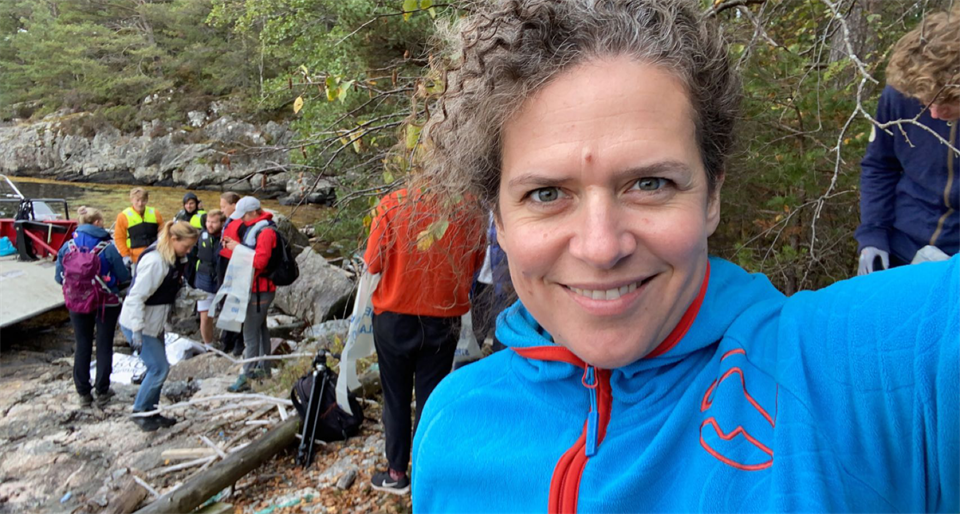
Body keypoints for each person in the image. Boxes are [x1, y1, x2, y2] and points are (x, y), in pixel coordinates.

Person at [410, 1, 959, 512]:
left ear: (712, 195)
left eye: (650, 183)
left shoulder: (857, 370)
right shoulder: (452, 427)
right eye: (547, 194)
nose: (602, 248)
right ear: (498, 221)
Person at [363, 188, 485, 494]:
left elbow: (373, 262)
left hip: (395, 317)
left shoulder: (392, 203)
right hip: (443, 316)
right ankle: (426, 472)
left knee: (396, 397)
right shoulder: (468, 207)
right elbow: (477, 263)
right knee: (431, 398)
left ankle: (396, 472)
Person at [856, 6, 960, 274]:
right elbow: (880, 165)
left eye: (947, 103)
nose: (935, 113)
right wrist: (872, 236)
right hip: (899, 248)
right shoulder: (901, 92)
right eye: (925, 103)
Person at [119, 221, 199, 432]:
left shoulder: (174, 259)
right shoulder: (156, 262)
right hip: (140, 324)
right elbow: (135, 297)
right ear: (174, 240)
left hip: (154, 324)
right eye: (187, 246)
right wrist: (136, 330)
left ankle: (151, 411)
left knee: (157, 367)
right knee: (159, 368)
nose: (189, 251)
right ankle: (140, 411)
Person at [55, 206, 131, 408]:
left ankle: (83, 393)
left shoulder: (68, 247)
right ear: (97, 223)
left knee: (82, 344)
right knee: (104, 344)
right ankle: (102, 390)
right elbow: (124, 278)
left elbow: (58, 277)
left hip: (77, 302)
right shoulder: (108, 247)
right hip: (106, 302)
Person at [222, 197, 278, 392]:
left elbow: (260, 262)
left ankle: (246, 375)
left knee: (250, 334)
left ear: (254, 212)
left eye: (244, 216)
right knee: (260, 329)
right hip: (258, 289)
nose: (242, 220)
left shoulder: (266, 232)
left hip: (260, 290)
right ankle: (264, 369)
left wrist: (237, 248)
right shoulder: (259, 228)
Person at [217, 191, 244, 355]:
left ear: (234, 206)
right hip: (224, 261)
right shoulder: (230, 220)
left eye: (223, 206)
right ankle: (227, 339)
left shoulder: (241, 223)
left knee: (234, 302)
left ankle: (237, 342)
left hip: (235, 264)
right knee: (224, 301)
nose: (222, 210)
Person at [195, 210, 225, 346]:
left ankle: (229, 341)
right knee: (206, 317)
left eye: (213, 222)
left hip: (223, 280)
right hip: (204, 280)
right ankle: (208, 345)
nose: (210, 225)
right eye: (208, 222)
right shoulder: (201, 236)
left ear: (222, 223)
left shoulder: (228, 237)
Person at [114, 187, 164, 268]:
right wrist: (125, 255)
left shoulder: (155, 213)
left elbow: (162, 231)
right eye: (137, 200)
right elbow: (119, 238)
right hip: (135, 258)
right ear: (131, 200)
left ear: (147, 200)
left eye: (143, 200)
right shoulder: (123, 216)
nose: (140, 204)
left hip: (155, 255)